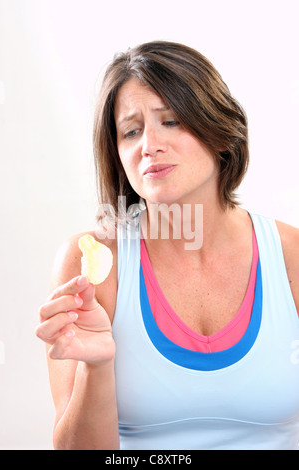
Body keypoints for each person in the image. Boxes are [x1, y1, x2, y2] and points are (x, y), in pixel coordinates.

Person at [36, 41, 299, 450]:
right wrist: (97, 366)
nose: (149, 145)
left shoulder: (291, 256)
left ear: (220, 134)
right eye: (131, 131)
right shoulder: (91, 262)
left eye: (172, 121)